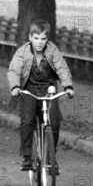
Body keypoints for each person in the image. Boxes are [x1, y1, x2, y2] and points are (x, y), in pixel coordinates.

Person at [7, 19, 74, 171]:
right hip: (29, 90)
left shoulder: (52, 51)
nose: (39, 42)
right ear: (30, 37)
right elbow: (14, 70)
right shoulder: (22, 52)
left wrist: (68, 86)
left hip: (48, 89)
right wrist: (15, 87)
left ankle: (51, 155)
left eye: (43, 39)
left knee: (54, 123)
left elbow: (62, 68)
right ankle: (27, 157)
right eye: (36, 38)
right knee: (27, 121)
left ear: (47, 39)